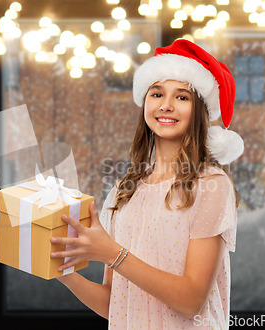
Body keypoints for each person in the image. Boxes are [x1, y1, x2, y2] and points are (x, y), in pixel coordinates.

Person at [50, 39, 244, 329]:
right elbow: (114, 303)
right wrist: (62, 273)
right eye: (157, 93)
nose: (166, 105)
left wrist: (111, 253)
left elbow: (192, 301)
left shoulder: (211, 185)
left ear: (200, 111)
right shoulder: (125, 191)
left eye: (182, 97)